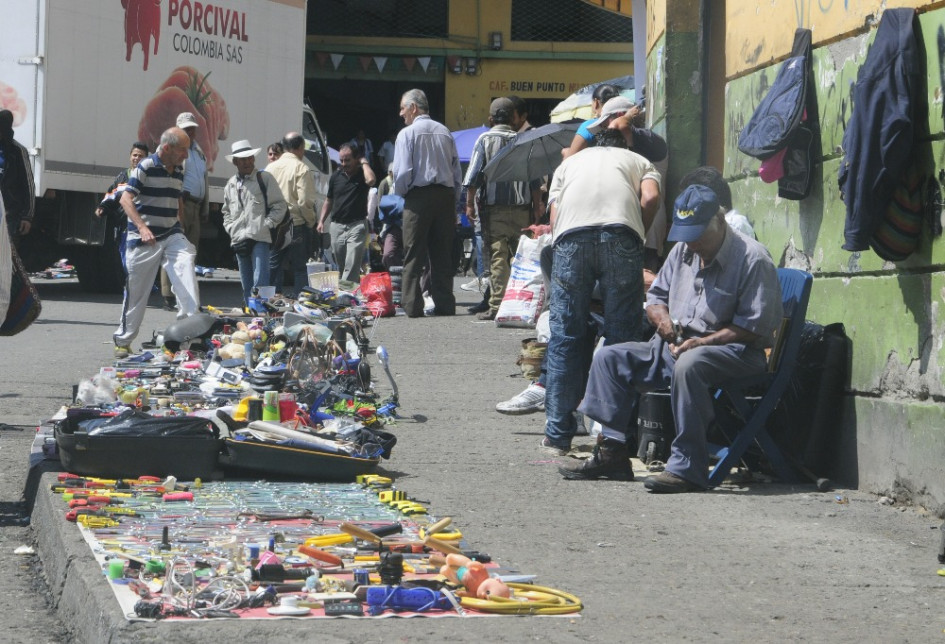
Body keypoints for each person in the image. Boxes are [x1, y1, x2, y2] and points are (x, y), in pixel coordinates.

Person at [560, 184, 782, 488]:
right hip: (677, 344)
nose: (690, 243)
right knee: (609, 357)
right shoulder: (683, 250)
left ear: (719, 221)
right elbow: (656, 297)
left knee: (690, 364)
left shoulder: (753, 259)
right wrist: (663, 321)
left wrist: (702, 342)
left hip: (735, 351)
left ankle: (688, 468)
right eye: (685, 234)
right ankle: (611, 452)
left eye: (696, 234)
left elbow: (753, 327)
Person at [538, 111, 661, 460]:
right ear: (625, 141)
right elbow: (649, 199)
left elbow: (554, 217)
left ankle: (558, 433)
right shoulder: (639, 161)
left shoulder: (569, 164)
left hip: (571, 240)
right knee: (622, 339)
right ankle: (613, 435)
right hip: (622, 237)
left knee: (566, 335)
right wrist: (637, 232)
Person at [113, 127, 200, 357]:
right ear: (168, 148)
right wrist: (142, 228)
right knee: (137, 292)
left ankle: (189, 331)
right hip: (144, 238)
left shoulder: (179, 169)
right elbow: (125, 199)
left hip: (171, 233)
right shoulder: (146, 166)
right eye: (183, 150)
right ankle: (123, 340)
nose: (186, 155)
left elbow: (176, 200)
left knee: (186, 262)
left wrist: (179, 226)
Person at [462, 97, 543, 321]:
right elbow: (534, 178)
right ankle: (520, 304)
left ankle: (497, 305)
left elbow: (474, 175)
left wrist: (469, 203)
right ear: (514, 118)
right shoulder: (524, 139)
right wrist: (537, 207)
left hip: (494, 210)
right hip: (522, 210)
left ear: (490, 118)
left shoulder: (485, 139)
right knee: (521, 259)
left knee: (498, 257)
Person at [392, 89, 462, 317]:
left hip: (418, 197)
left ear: (413, 108)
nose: (401, 113)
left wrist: (402, 194)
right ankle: (445, 304)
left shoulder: (407, 134)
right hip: (445, 196)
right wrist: (454, 201)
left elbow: (402, 173)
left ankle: (412, 306)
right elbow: (456, 171)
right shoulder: (445, 132)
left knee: (413, 253)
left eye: (403, 108)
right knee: (442, 254)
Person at [222, 139, 286, 308]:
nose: (247, 162)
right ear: (235, 162)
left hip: (260, 237)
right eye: (242, 159)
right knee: (246, 282)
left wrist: (268, 224)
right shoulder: (230, 185)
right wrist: (231, 229)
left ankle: (262, 314)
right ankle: (251, 314)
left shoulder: (264, 178)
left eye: (249, 158)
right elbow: (226, 212)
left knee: (261, 282)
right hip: (239, 238)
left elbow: (280, 205)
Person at [159, 112, 208, 311]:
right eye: (186, 128)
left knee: (189, 254)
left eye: (192, 128)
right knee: (172, 251)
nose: (191, 131)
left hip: (195, 206)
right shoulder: (171, 150)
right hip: (180, 204)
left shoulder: (198, 151)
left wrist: (205, 206)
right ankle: (168, 296)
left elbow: (204, 178)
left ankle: (185, 295)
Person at [318, 142, 376, 285]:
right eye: (341, 160)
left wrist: (364, 162)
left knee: (352, 263)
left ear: (356, 158)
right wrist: (321, 221)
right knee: (343, 264)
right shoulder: (336, 177)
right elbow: (328, 201)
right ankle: (354, 293)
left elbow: (371, 180)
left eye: (348, 160)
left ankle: (345, 294)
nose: (344, 163)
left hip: (357, 225)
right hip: (337, 226)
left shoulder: (363, 175)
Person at [266, 132, 316, 296]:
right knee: (300, 268)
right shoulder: (301, 168)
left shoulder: (270, 168)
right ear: (300, 148)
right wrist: (310, 222)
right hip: (296, 224)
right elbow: (305, 202)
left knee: (274, 265)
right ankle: (300, 302)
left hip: (274, 224)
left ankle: (271, 300)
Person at [95, 141, 150, 272]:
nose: (137, 158)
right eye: (135, 155)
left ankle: (140, 287)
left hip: (144, 225)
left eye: (140, 156)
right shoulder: (122, 177)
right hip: (124, 225)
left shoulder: (150, 178)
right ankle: (134, 287)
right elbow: (112, 195)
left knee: (142, 259)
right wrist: (103, 207)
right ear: (130, 156)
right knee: (126, 259)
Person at [0, 109, 35, 250]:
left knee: (8, 259)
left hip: (10, 214)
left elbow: (29, 185)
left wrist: (27, 216)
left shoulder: (17, 151)